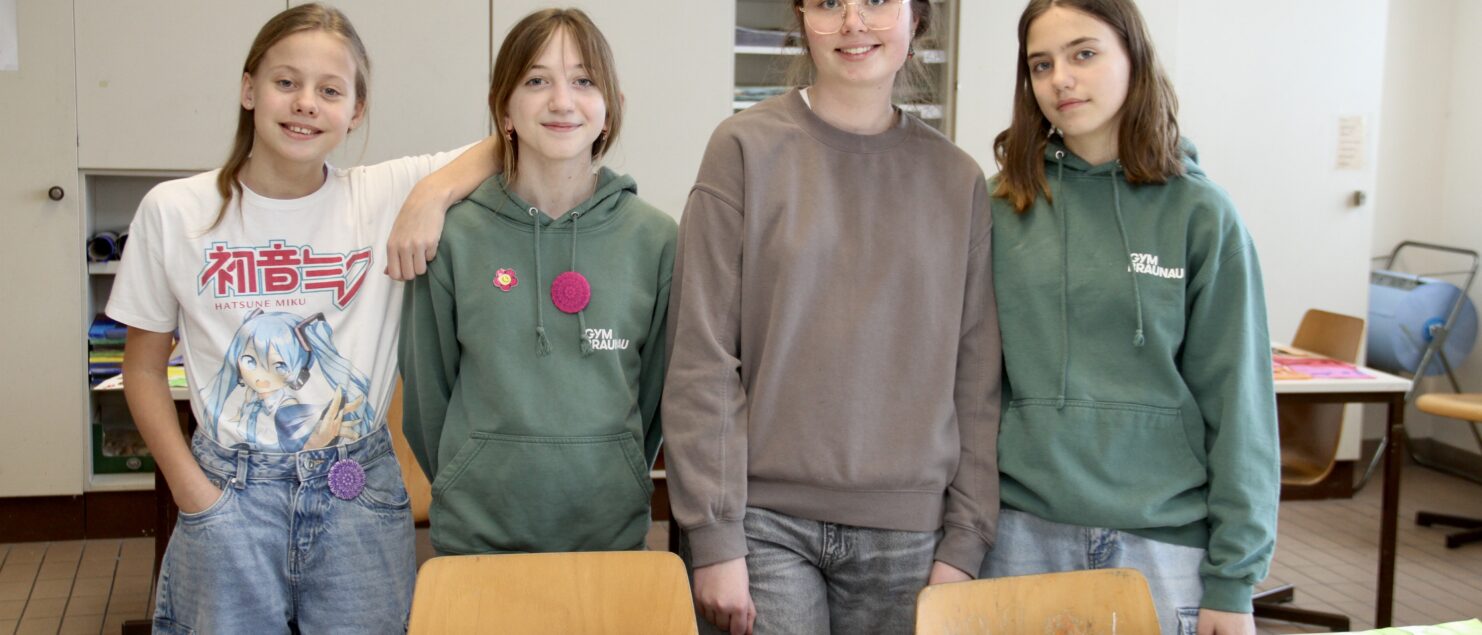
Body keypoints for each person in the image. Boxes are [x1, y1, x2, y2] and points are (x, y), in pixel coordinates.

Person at [107, 4, 496, 631]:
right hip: (227, 490)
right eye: (285, 82)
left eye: (330, 90)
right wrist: (193, 493)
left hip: (355, 491)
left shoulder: (380, 193)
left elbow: (511, 139)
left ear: (356, 111)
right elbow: (144, 370)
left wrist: (432, 193)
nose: (305, 103)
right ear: (249, 90)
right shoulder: (175, 211)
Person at [662, 0, 1002, 632]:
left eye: (876, 1)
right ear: (801, 20)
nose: (852, 21)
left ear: (917, 19)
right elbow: (702, 355)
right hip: (762, 527)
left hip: (910, 536)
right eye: (827, 3)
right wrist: (713, 536)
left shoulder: (960, 181)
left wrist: (967, 541)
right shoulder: (741, 149)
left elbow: (977, 382)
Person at [978, 1, 1279, 633]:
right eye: (1041, 64)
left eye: (1084, 54)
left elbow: (1240, 406)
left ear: (1134, 59)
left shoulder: (1202, 214)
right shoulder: (999, 209)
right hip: (1018, 535)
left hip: (1164, 545)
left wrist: (1234, 579)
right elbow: (966, 387)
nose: (1061, 79)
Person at [399, 7, 676, 557]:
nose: (562, 101)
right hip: (477, 535)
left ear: (611, 108)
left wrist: (619, 465)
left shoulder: (656, 239)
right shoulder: (451, 236)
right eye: (536, 81)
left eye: (583, 81)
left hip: (610, 535)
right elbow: (427, 395)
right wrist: (467, 472)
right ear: (504, 108)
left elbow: (654, 399)